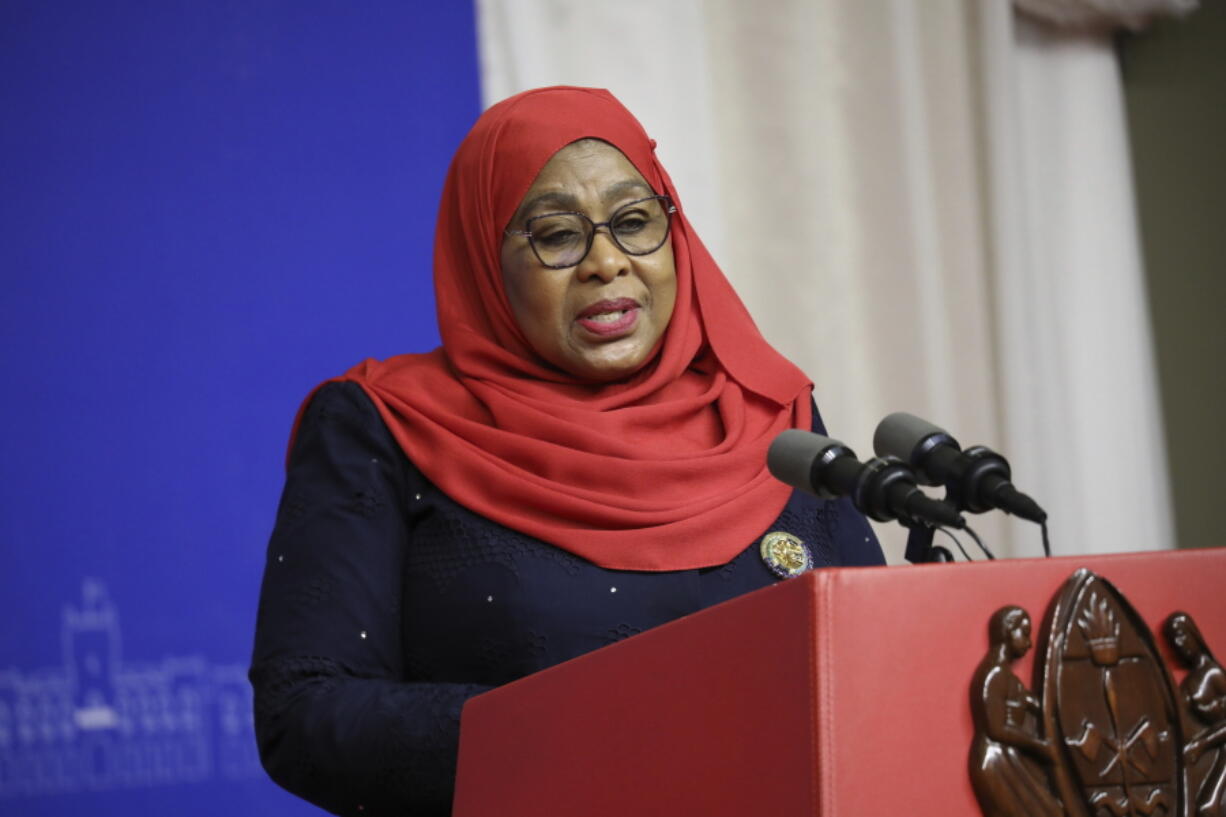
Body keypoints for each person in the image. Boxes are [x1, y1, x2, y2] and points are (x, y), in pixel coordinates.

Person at [249, 86, 885, 817]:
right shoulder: (384, 429)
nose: (607, 262)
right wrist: (578, 728)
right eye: (556, 235)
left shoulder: (773, 416)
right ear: (484, 257)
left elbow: (871, 672)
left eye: (634, 221)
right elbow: (304, 710)